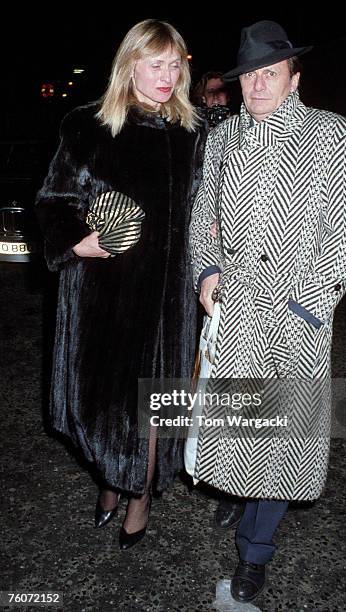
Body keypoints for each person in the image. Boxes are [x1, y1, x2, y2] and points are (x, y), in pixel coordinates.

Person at [190, 20, 346, 603]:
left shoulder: (337, 138)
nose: (258, 86)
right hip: (236, 311)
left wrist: (307, 303)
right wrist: (208, 271)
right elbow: (202, 221)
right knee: (239, 427)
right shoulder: (222, 140)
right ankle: (240, 496)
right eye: (249, 77)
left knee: (281, 442)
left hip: (297, 318)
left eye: (271, 74)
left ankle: (255, 553)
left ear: (294, 78)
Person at [36, 19, 206, 550]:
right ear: (129, 64)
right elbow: (52, 202)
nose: (167, 75)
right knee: (102, 407)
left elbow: (214, 211)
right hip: (104, 297)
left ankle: (139, 497)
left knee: (156, 406)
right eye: (156, 64)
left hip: (171, 299)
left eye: (175, 64)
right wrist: (75, 241)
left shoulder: (195, 132)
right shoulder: (87, 126)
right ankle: (112, 479)